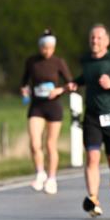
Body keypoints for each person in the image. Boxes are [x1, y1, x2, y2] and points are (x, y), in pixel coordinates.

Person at [67, 24, 110, 216]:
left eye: (98, 38)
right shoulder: (86, 60)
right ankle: (93, 199)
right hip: (92, 116)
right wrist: (76, 82)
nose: (94, 41)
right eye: (92, 38)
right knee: (92, 157)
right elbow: (87, 77)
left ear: (107, 40)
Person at [20, 29, 74, 194]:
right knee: (35, 143)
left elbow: (71, 84)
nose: (47, 50)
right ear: (40, 47)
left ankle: (52, 179)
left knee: (51, 144)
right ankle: (40, 173)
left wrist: (59, 90)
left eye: (50, 47)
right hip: (37, 105)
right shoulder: (32, 62)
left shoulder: (58, 62)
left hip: (53, 106)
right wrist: (24, 90)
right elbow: (24, 82)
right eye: (45, 47)